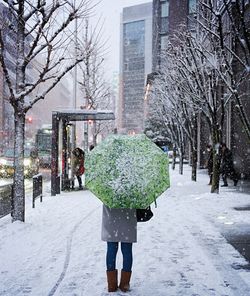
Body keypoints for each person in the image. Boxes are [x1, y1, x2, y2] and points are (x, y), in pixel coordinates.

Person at [102, 205, 137, 293]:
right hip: (128, 218)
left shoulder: (107, 192)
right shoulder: (133, 191)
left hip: (111, 218)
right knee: (127, 251)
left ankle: (111, 285)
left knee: (111, 250)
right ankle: (125, 285)